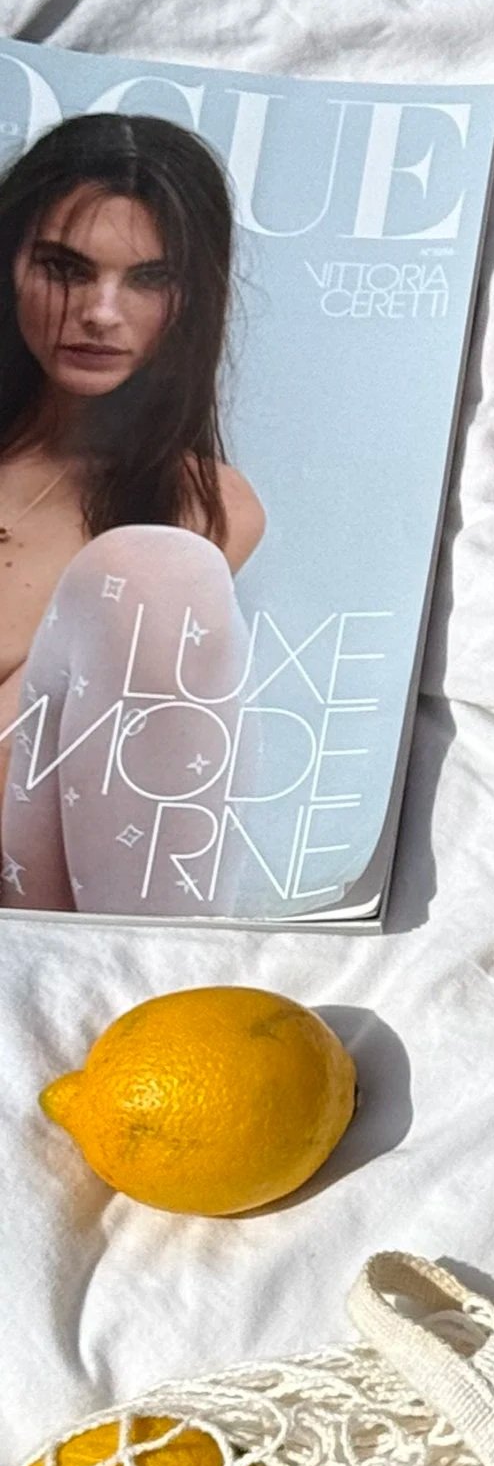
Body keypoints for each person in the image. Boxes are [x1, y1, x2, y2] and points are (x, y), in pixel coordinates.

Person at [0, 114, 265, 913]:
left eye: (148, 279)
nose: (102, 312)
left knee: (155, 570)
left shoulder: (196, 509)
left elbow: (25, 765)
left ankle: (145, 978)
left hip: (33, 896)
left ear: (191, 297)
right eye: (64, 268)